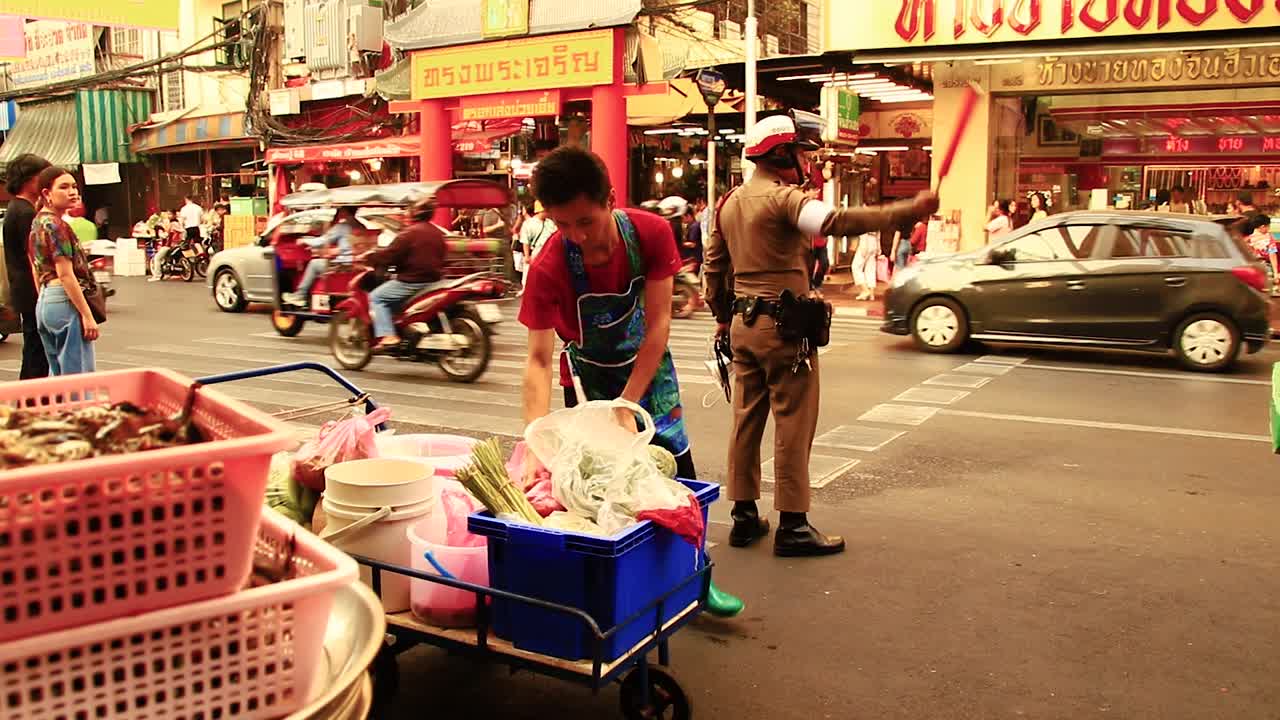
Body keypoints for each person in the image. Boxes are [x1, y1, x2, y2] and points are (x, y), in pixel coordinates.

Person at [704, 110, 938, 557]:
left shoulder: (729, 202)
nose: (806, 162)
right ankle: (793, 524)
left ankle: (744, 517)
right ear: (781, 154)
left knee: (745, 420)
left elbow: (715, 267)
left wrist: (721, 317)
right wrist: (910, 210)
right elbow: (836, 223)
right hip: (784, 328)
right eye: (800, 153)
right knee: (793, 422)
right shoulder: (783, 199)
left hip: (742, 325)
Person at [29, 167, 98, 375]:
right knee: (77, 378)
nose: (73, 192)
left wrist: (44, 298)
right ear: (46, 194)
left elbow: (35, 267)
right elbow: (66, 274)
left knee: (58, 377)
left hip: (46, 301)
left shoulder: (38, 221)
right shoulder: (57, 226)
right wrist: (87, 315)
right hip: (63, 299)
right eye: (64, 187)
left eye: (74, 187)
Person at [361, 197, 448, 351]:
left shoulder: (409, 233)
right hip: (434, 280)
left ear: (415, 213)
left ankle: (389, 336)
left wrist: (370, 257)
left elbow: (390, 255)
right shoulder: (437, 233)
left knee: (376, 297)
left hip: (413, 281)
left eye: (408, 211)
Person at [3, 153, 52, 379]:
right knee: (37, 349)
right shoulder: (25, 213)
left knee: (35, 347)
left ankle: (29, 394)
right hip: (32, 290)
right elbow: (35, 256)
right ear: (30, 179)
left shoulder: (18, 208)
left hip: (24, 289)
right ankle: (31, 396)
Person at [283, 206, 358, 306]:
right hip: (355, 264)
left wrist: (304, 240)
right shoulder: (360, 226)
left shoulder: (342, 227)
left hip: (343, 266)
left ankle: (300, 295)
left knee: (314, 263)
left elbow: (321, 241)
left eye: (339, 210)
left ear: (344, 211)